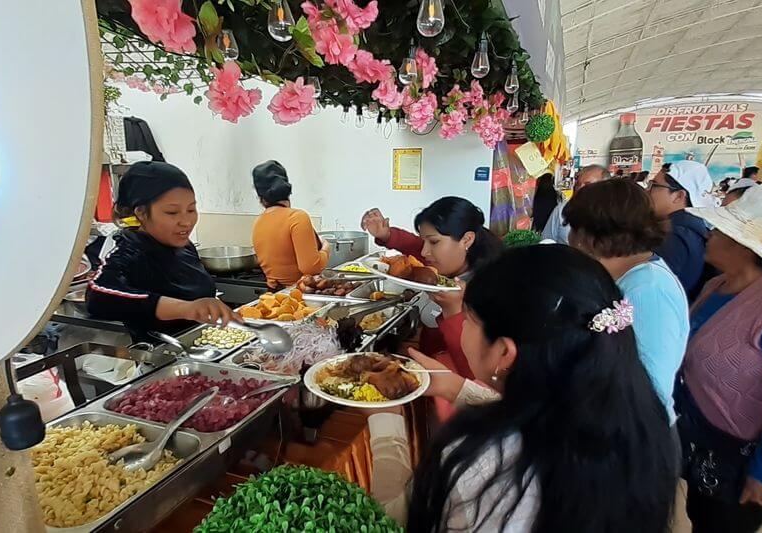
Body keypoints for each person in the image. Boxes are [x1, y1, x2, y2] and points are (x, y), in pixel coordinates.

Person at [367, 245, 678, 531]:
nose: (461, 325)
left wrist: (386, 419)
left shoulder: (484, 464)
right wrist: (458, 389)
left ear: (504, 353)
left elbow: (387, 520)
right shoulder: (643, 422)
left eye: (470, 320)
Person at [676, 184, 762, 533]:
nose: (709, 232)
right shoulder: (717, 286)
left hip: (741, 460)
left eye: (720, 228)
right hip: (701, 445)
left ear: (744, 246)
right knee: (701, 517)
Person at [564, 179, 689, 424]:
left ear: (590, 235)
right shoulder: (623, 276)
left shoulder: (648, 290)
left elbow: (650, 384)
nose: (569, 238)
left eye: (572, 228)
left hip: (634, 433)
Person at [87, 161, 240, 340]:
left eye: (191, 209)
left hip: (205, 348)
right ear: (141, 213)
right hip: (164, 360)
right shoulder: (129, 252)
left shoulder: (184, 245)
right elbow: (96, 296)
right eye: (172, 212)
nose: (187, 221)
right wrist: (186, 309)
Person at [360, 197, 503, 379]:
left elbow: (477, 375)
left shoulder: (489, 290)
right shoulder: (451, 264)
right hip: (429, 370)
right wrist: (386, 234)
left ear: (467, 240)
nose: (424, 252)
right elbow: (416, 246)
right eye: (424, 241)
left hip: (454, 392)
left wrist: (453, 311)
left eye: (434, 242)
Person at [251, 160, 330, 289]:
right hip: (301, 294)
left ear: (260, 197)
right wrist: (326, 248)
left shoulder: (258, 222)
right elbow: (311, 267)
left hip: (276, 296)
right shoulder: (297, 217)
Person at [648, 160, 714, 298]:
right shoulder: (691, 227)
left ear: (679, 196)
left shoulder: (674, 235)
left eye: (654, 185)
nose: (647, 191)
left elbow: (654, 290)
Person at [541, 164, 610, 244]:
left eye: (587, 185)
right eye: (578, 184)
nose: (580, 188)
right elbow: (546, 241)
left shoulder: (614, 215)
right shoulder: (562, 209)